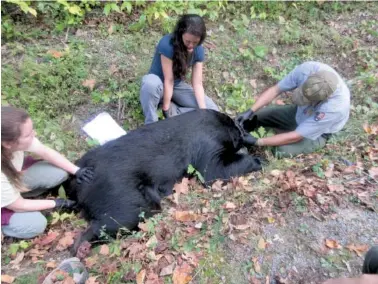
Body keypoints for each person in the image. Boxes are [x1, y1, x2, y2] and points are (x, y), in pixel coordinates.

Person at [1, 106, 94, 239]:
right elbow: (18, 205)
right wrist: (57, 203)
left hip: (12, 177)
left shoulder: (10, 140)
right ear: (8, 144)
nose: (35, 134)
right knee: (36, 224)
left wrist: (76, 170)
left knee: (60, 173)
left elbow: (45, 152)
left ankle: (15, 193)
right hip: (7, 197)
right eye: (28, 135)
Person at [236, 61, 350, 158]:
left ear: (325, 99)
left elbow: (297, 136)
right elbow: (276, 90)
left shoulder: (334, 108)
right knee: (256, 117)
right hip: (299, 112)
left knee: (281, 151)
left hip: (320, 132)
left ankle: (278, 138)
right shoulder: (307, 69)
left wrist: (258, 142)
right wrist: (250, 111)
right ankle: (278, 130)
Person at [140, 14, 219, 124]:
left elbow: (197, 84)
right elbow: (169, 80)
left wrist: (203, 111)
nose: (191, 45)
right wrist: (166, 109)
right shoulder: (167, 44)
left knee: (212, 110)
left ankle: (176, 113)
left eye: (195, 42)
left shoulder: (198, 50)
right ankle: (152, 123)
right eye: (188, 41)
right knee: (150, 83)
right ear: (181, 33)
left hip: (177, 87)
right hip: (159, 85)